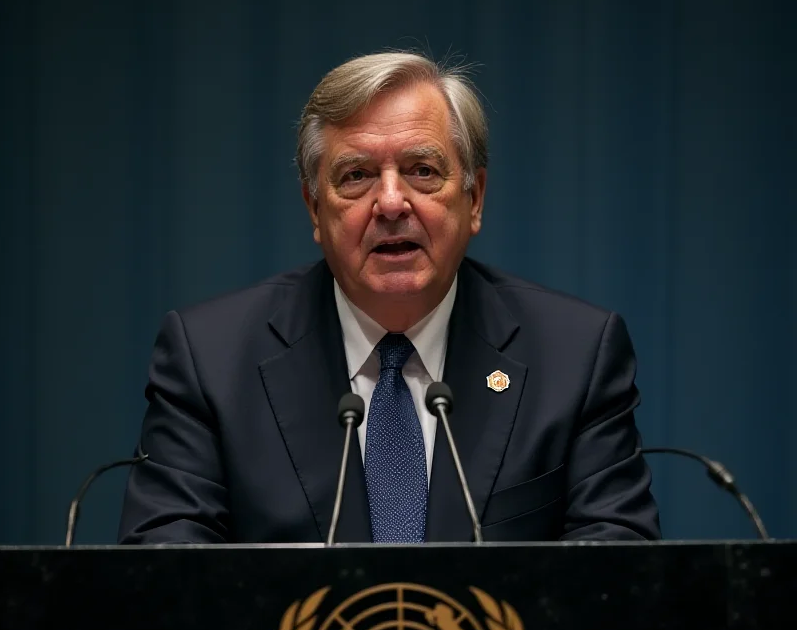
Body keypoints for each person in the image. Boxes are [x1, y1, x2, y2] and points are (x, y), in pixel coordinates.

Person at [118, 51, 661, 544]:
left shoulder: (574, 357)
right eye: (356, 176)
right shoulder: (211, 360)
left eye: (422, 171)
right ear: (314, 209)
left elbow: (619, 568)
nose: (392, 202)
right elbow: (166, 570)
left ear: (476, 198)